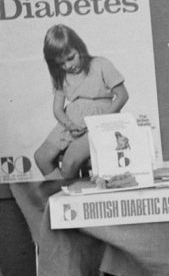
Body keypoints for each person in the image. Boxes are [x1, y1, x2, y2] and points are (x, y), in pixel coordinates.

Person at [33, 24, 129, 181]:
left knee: (70, 162)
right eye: (61, 63)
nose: (68, 66)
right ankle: (62, 193)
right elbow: (57, 110)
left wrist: (98, 124)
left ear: (80, 48)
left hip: (101, 120)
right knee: (41, 157)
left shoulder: (100, 64)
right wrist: (70, 125)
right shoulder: (61, 75)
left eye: (70, 58)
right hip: (72, 122)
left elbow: (122, 96)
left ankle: (66, 197)